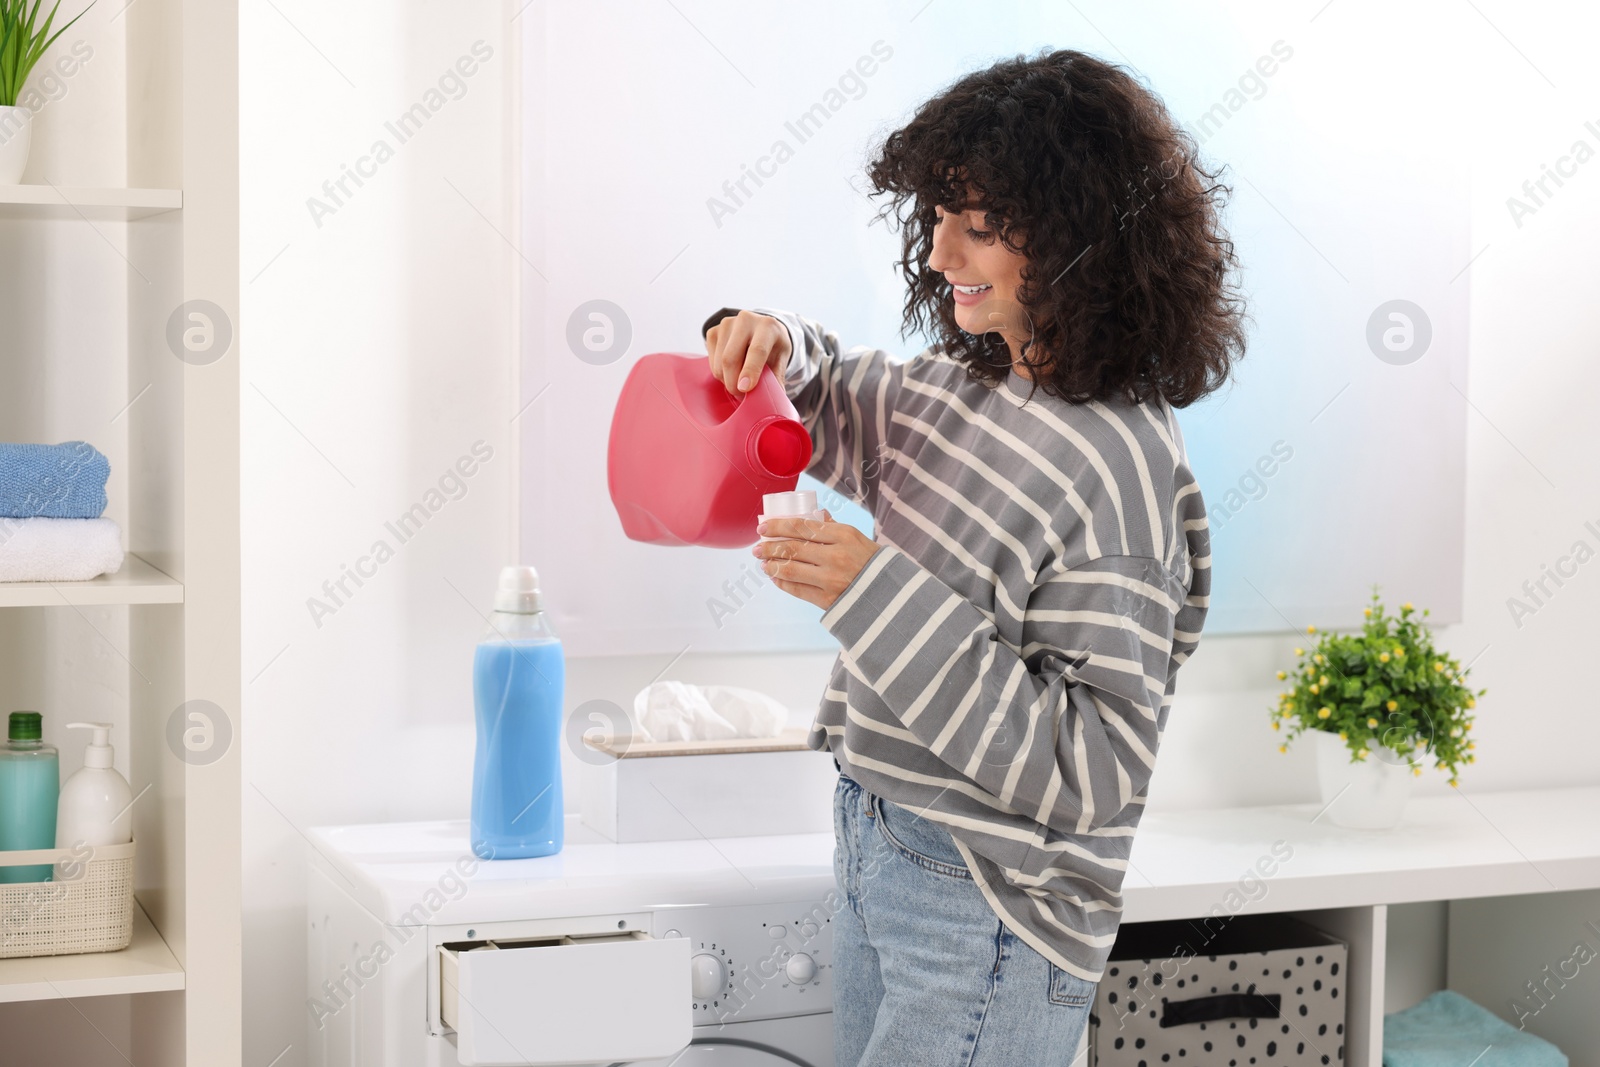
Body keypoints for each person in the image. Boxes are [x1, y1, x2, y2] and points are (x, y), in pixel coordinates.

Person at [703, 48, 1246, 1067]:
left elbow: (1091, 770)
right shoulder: (970, 385)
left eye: (981, 226)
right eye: (938, 216)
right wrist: (775, 340)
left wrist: (873, 592)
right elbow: (836, 396)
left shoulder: (1117, 464)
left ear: (1083, 236)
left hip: (986, 905)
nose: (941, 252)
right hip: (879, 836)